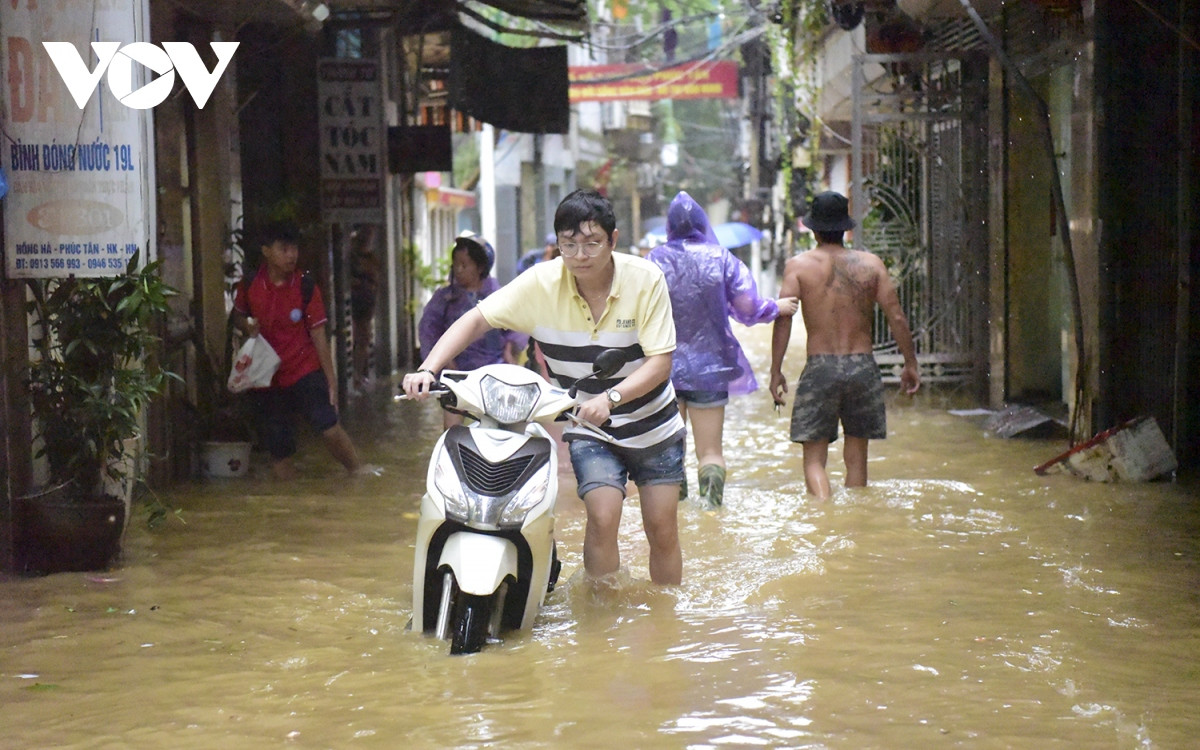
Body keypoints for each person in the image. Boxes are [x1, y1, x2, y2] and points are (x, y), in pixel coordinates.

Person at [403, 189, 686, 585]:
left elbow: (661, 362)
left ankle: (666, 623)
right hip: (589, 425)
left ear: (613, 240)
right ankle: (603, 619)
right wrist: (428, 368)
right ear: (558, 245)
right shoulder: (541, 282)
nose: (581, 256)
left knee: (662, 530)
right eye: (569, 245)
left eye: (592, 243)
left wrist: (612, 397)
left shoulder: (645, 279)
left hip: (654, 425)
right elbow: (477, 320)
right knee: (602, 517)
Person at [647, 191, 798, 508]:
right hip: (711, 369)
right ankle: (712, 508)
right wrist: (776, 307)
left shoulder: (653, 261)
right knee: (711, 452)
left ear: (669, 227)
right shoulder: (722, 258)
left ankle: (677, 515)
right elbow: (748, 306)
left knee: (668, 452)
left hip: (661, 369)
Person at [769, 191, 920, 500]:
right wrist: (910, 363)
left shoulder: (798, 266)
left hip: (820, 367)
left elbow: (782, 318)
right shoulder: (871, 264)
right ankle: (853, 526)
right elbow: (897, 316)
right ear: (846, 228)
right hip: (862, 366)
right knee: (857, 458)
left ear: (812, 229)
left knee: (813, 460)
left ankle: (824, 514)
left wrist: (776, 371)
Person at [231, 220, 366, 480]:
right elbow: (238, 316)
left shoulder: (305, 286)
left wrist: (331, 381)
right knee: (279, 452)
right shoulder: (249, 285)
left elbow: (318, 335)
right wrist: (248, 326)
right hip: (267, 377)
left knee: (328, 427)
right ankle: (294, 497)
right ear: (266, 251)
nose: (292, 255)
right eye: (284, 249)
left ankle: (358, 471)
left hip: (304, 369)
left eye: (294, 248)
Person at [417, 232, 525, 429]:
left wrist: (510, 351)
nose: (458, 270)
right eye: (455, 264)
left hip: (496, 373)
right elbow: (429, 331)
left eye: (464, 265)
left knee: (506, 429)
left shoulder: (498, 295)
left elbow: (517, 326)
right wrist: (446, 363)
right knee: (452, 430)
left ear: (480, 267)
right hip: (456, 373)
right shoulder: (444, 299)